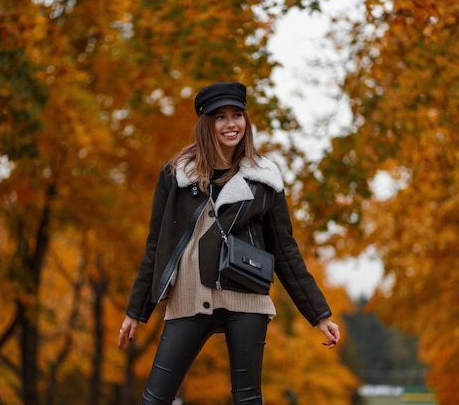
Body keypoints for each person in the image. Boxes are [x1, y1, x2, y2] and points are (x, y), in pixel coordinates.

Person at [118, 81, 340, 405]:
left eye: (237, 115)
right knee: (154, 399)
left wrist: (319, 314)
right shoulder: (175, 175)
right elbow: (156, 245)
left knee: (248, 399)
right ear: (206, 123)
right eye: (220, 117)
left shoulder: (264, 178)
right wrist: (136, 311)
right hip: (189, 299)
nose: (231, 124)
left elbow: (285, 251)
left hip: (246, 298)